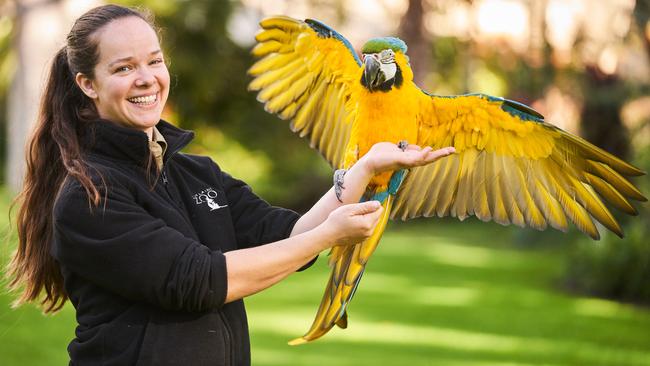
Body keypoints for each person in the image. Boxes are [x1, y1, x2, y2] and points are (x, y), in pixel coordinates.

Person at [6, 4, 454, 366]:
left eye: (154, 61)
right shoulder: (89, 195)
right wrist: (330, 235)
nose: (146, 78)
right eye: (123, 68)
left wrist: (363, 169)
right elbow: (198, 280)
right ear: (87, 83)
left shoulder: (197, 174)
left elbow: (288, 237)